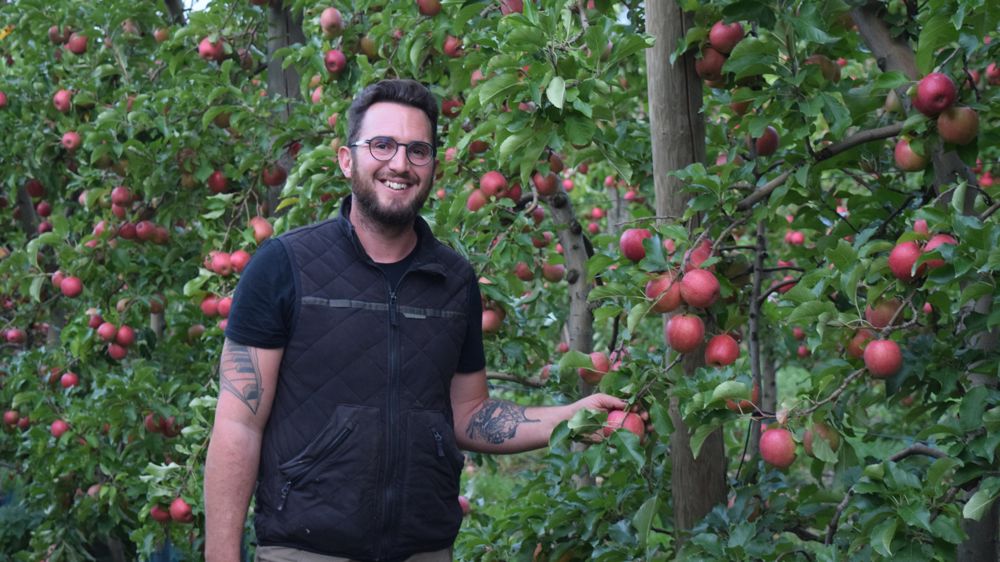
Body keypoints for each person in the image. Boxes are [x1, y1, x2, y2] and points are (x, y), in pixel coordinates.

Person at [203, 79, 630, 562]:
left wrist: (570, 418)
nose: (400, 164)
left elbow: (469, 414)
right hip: (306, 550)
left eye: (417, 150)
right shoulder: (283, 266)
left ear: (433, 167)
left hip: (424, 551)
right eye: (382, 145)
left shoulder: (454, 281)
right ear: (347, 160)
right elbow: (239, 423)